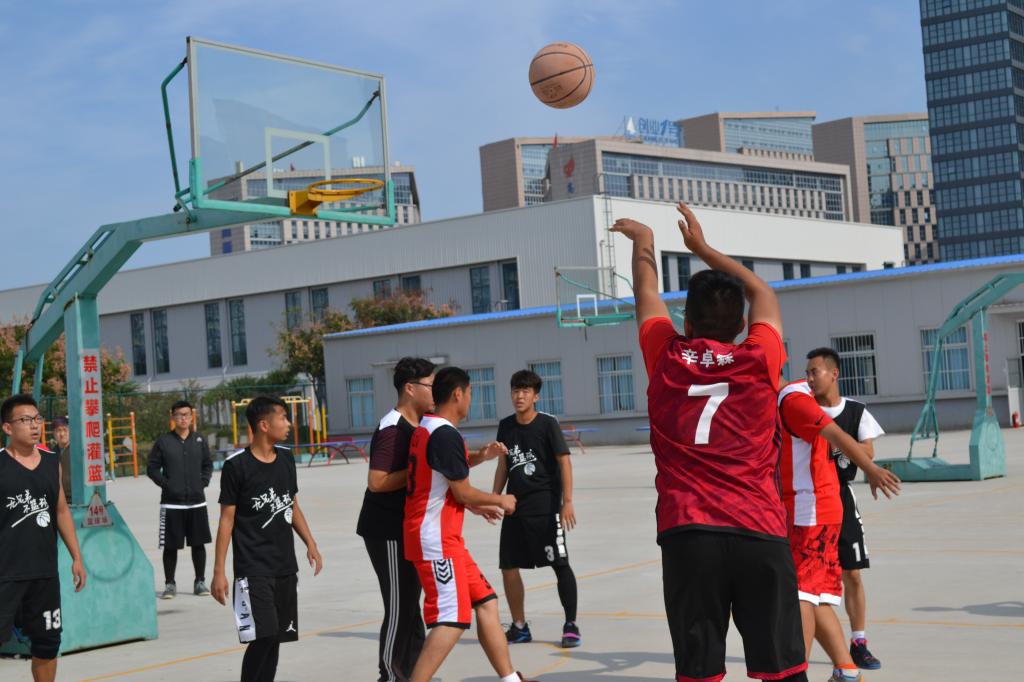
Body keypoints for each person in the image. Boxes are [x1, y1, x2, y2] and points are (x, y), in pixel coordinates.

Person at [612, 202, 808, 682]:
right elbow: (762, 291)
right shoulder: (760, 357)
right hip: (759, 529)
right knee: (785, 672)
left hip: (688, 533)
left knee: (699, 673)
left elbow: (645, 292)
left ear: (687, 325)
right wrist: (702, 249)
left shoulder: (666, 357)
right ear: (742, 325)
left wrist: (644, 241)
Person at [403, 366, 536, 682]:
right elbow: (461, 490)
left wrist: (479, 465)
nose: (471, 399)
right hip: (435, 540)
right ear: (458, 394)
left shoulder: (429, 428)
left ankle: (509, 679)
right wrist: (498, 500)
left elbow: (443, 479)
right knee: (452, 618)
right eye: (471, 393)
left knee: (487, 602)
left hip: (446, 538)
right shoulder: (444, 434)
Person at [777, 379, 899, 682]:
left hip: (811, 510)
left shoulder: (793, 399)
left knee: (801, 594)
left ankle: (798, 674)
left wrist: (871, 469)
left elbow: (838, 435)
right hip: (806, 508)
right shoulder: (784, 398)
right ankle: (846, 670)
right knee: (814, 596)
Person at [211, 396, 323, 682]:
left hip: (284, 565)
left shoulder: (286, 458)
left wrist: (310, 543)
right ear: (263, 425)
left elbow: (291, 504)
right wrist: (219, 572)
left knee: (276, 638)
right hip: (252, 569)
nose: (288, 424)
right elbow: (226, 520)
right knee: (264, 635)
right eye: (282, 418)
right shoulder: (237, 466)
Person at [805, 347, 886, 670]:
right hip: (809, 498)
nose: (810, 378)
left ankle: (859, 641)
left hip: (841, 496)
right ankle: (802, 642)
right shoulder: (803, 408)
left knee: (851, 572)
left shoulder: (855, 411)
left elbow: (868, 450)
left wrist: (840, 444)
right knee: (807, 581)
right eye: (807, 373)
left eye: (815, 372)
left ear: (834, 373)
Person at [356, 357, 435, 681]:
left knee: (410, 604)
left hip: (407, 528)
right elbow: (377, 481)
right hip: (386, 530)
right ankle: (389, 674)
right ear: (410, 388)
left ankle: (413, 673)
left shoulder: (422, 425)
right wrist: (419, 471)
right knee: (399, 605)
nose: (435, 392)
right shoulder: (392, 428)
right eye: (430, 385)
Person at [0, 394, 86, 682]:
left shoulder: (51, 462)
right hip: (5, 573)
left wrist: (76, 557)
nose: (34, 425)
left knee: (48, 644)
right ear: (8, 428)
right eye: (25, 420)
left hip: (44, 574)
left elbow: (60, 511)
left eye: (37, 418)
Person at [492, 369, 580, 648]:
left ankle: (570, 625)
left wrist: (567, 501)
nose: (519, 396)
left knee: (559, 564)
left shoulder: (547, 424)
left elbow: (564, 461)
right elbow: (503, 465)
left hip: (545, 508)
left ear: (535, 396)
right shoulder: (506, 426)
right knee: (508, 567)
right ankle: (519, 626)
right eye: (515, 391)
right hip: (514, 508)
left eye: (525, 391)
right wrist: (495, 498)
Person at [146, 400, 214, 599]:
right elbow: (151, 468)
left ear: (192, 417)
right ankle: (170, 584)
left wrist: (202, 482)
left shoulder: (199, 440)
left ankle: (200, 581)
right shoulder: (163, 442)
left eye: (186, 414)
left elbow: (208, 464)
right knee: (170, 546)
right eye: (179, 415)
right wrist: (166, 484)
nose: (183, 418)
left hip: (197, 502)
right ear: (173, 417)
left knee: (198, 544)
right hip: (172, 503)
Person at [49, 417, 72, 504]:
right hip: (58, 499)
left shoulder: (77, 451)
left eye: (65, 430)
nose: (62, 434)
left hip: (75, 497)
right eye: (58, 430)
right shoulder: (51, 453)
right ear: (54, 433)